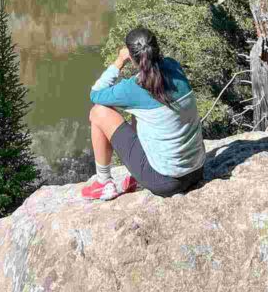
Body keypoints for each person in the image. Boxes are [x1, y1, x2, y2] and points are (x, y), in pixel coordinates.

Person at [81, 27, 205, 201]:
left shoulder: (134, 87)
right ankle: (136, 177)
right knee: (138, 112)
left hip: (165, 181)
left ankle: (103, 183)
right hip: (197, 169)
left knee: (98, 112)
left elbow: (95, 94)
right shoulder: (174, 67)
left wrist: (119, 61)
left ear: (132, 57)